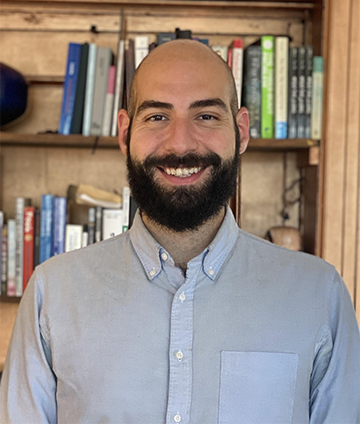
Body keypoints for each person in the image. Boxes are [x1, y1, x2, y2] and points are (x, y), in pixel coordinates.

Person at [0, 40, 359, 424]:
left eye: (205, 116)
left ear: (240, 131)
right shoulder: (52, 294)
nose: (181, 143)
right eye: (157, 117)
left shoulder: (317, 295)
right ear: (125, 134)